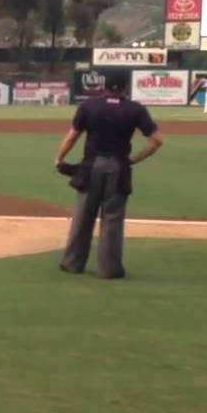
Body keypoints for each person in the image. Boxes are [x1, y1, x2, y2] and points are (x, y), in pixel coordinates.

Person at [55, 70, 164, 279]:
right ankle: (110, 269)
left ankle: (72, 264)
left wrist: (60, 158)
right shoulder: (136, 110)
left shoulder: (89, 106)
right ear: (125, 87)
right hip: (119, 168)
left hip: (91, 166)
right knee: (113, 219)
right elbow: (157, 140)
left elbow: (72, 136)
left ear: (103, 86)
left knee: (82, 217)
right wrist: (134, 159)